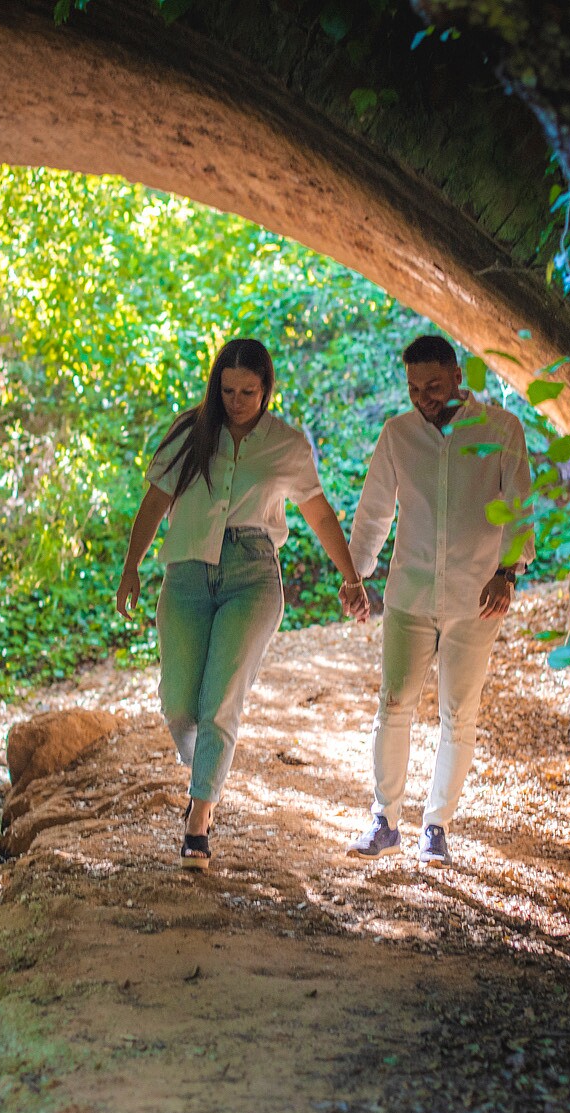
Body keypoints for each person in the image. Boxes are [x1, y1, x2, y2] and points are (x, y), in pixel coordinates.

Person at [117, 338, 369, 871]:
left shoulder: (288, 446)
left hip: (253, 575)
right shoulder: (191, 434)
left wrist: (350, 578)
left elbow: (320, 515)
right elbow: (154, 502)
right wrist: (131, 567)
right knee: (179, 704)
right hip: (186, 572)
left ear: (266, 389)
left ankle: (199, 820)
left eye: (248, 392)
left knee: (222, 698)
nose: (236, 400)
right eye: (227, 390)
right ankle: (206, 769)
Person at [343, 334, 535, 867]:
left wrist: (507, 573)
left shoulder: (501, 430)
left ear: (457, 375)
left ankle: (437, 827)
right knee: (394, 702)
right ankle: (384, 819)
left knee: (458, 712)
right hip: (410, 591)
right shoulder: (397, 435)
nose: (424, 398)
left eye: (433, 386)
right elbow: (376, 511)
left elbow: (519, 509)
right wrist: (356, 575)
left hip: (477, 597)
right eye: (413, 389)